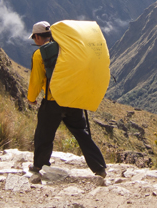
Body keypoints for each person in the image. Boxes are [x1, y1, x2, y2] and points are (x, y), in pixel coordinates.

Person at [27, 21, 107, 177]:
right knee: (81, 133)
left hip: (53, 101)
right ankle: (99, 167)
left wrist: (31, 98)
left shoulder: (39, 54)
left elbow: (36, 80)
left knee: (44, 134)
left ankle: (39, 165)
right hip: (73, 99)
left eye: (34, 38)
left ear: (37, 37)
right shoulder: (68, 49)